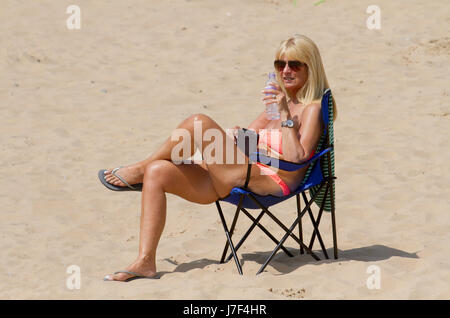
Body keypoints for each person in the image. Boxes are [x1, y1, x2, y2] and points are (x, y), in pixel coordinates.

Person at [100, 34, 337, 281]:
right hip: (242, 174)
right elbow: (249, 138)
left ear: (311, 67)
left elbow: (297, 157)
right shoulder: (278, 103)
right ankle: (145, 261)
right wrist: (234, 135)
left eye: (294, 65)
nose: (286, 71)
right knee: (158, 171)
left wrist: (285, 114)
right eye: (280, 64)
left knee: (198, 122)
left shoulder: (311, 108)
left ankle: (138, 169)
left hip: (271, 181)